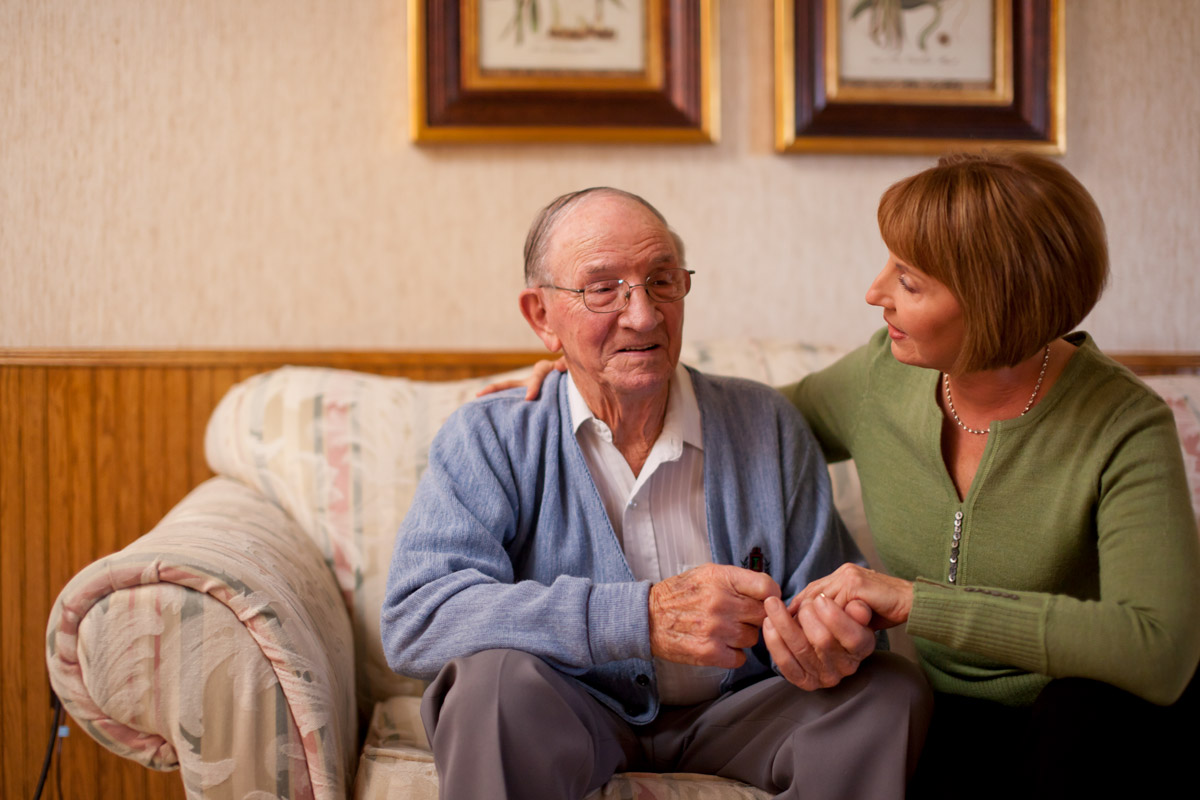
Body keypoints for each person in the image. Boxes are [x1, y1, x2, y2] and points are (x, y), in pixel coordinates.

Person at [494, 154, 1200, 795]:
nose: (875, 292)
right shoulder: (879, 379)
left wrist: (910, 601)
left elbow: (1158, 650)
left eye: (909, 281)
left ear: (995, 303)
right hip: (950, 718)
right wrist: (594, 366)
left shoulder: (1124, 425)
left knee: (1083, 716)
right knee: (897, 713)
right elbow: (739, 426)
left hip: (1094, 721)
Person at [381, 187, 932, 800]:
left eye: (662, 280)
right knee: (493, 686)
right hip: (568, 709)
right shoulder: (492, 435)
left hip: (743, 715)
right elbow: (419, 619)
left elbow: (830, 608)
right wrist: (639, 618)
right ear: (542, 317)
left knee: (887, 691)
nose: (642, 315)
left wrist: (834, 640)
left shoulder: (766, 423)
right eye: (602, 288)